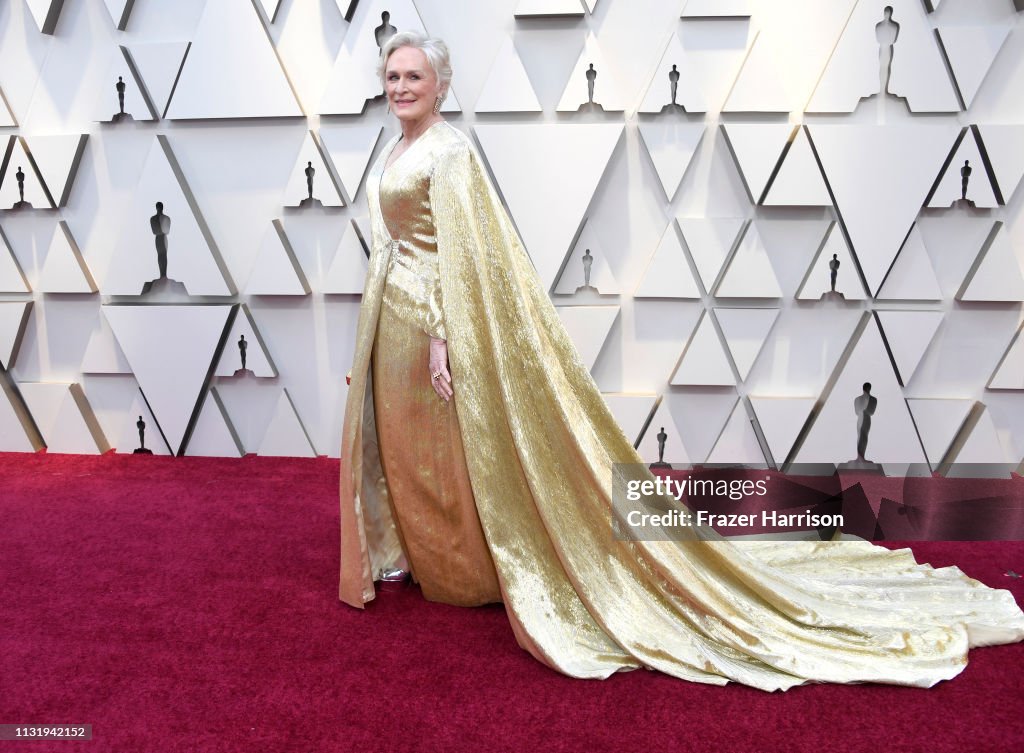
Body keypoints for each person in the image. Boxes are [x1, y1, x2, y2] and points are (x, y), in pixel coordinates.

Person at [339, 32, 1024, 691]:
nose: (401, 87)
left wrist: (440, 333)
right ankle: (414, 551)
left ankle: (464, 566)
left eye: (413, 78)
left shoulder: (449, 152)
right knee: (407, 443)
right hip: (389, 316)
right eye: (393, 77)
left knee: (443, 444)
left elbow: (463, 252)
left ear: (441, 86)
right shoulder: (401, 146)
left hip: (429, 319)